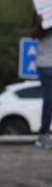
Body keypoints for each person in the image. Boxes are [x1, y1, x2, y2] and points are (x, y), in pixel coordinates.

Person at [31, 12, 52, 149]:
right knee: (49, 100)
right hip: (46, 64)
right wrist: (40, 22)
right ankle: (44, 133)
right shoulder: (41, 9)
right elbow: (33, 35)